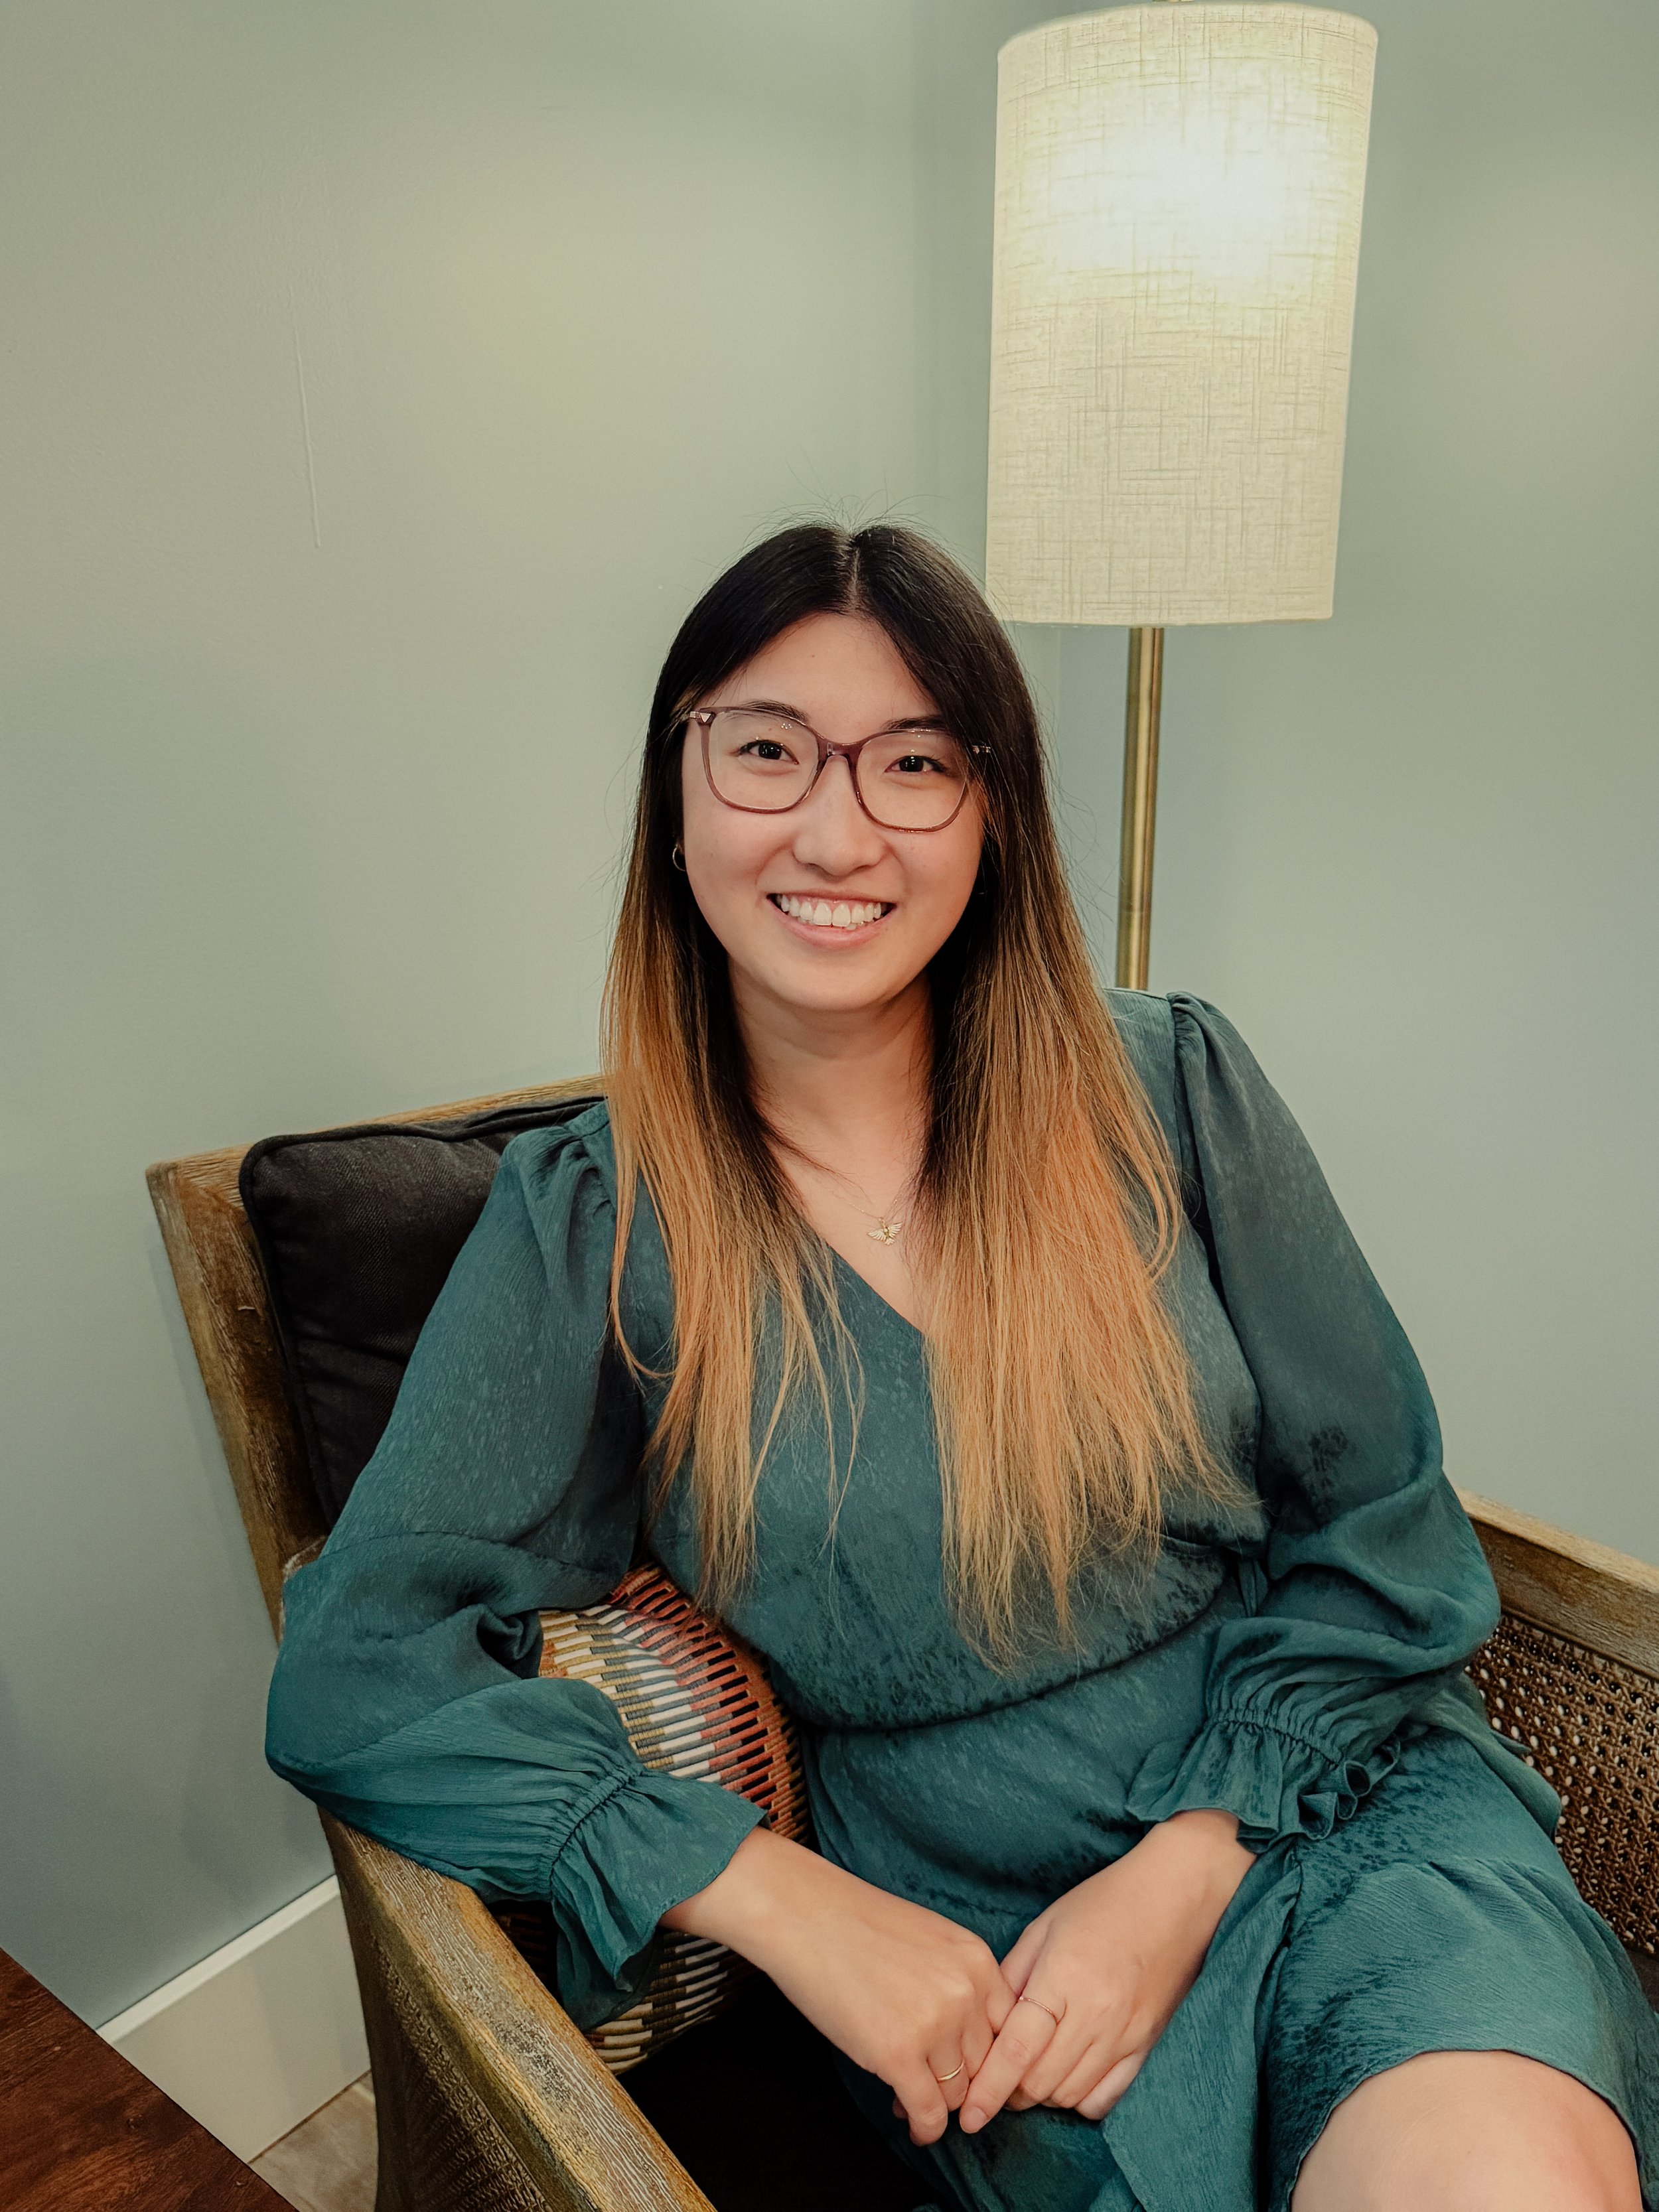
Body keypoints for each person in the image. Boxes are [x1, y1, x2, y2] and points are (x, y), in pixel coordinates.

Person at [267, 523, 1656, 2212]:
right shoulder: (589, 1225)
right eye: (768, 747)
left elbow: (1381, 1523)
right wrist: (766, 1892)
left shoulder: (1174, 1086)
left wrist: (1184, 1865)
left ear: (989, 813)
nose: (834, 826)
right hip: (964, 1954)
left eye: (913, 762)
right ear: (678, 783)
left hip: (1323, 1815)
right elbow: (358, 1665)